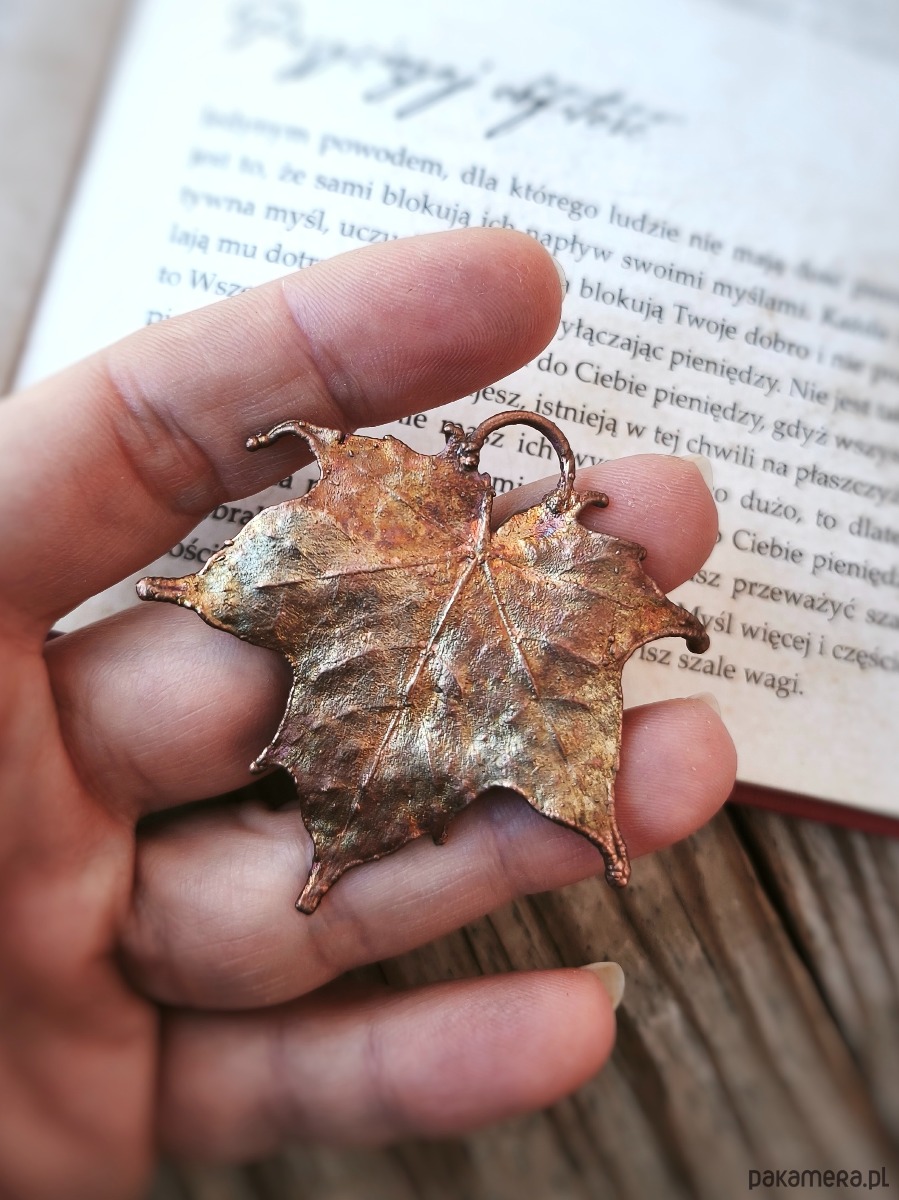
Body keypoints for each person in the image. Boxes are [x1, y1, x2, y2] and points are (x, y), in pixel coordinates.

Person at [0, 227, 736, 1199]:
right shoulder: (398, 509)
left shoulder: (471, 539)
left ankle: (341, 855)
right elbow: (278, 572)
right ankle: (336, 853)